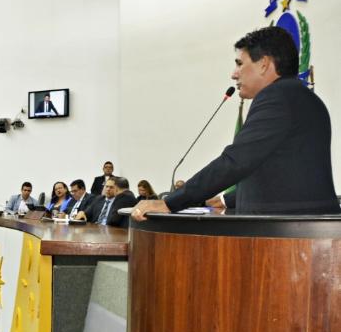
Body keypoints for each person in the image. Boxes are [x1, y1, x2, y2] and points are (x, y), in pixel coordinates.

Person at [134, 27, 336, 220]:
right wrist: (226, 199)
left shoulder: (276, 97)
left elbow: (236, 161)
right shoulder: (300, 96)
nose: (234, 74)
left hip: (289, 237)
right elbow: (281, 173)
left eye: (240, 63)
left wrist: (170, 203)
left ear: (264, 64)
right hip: (301, 230)